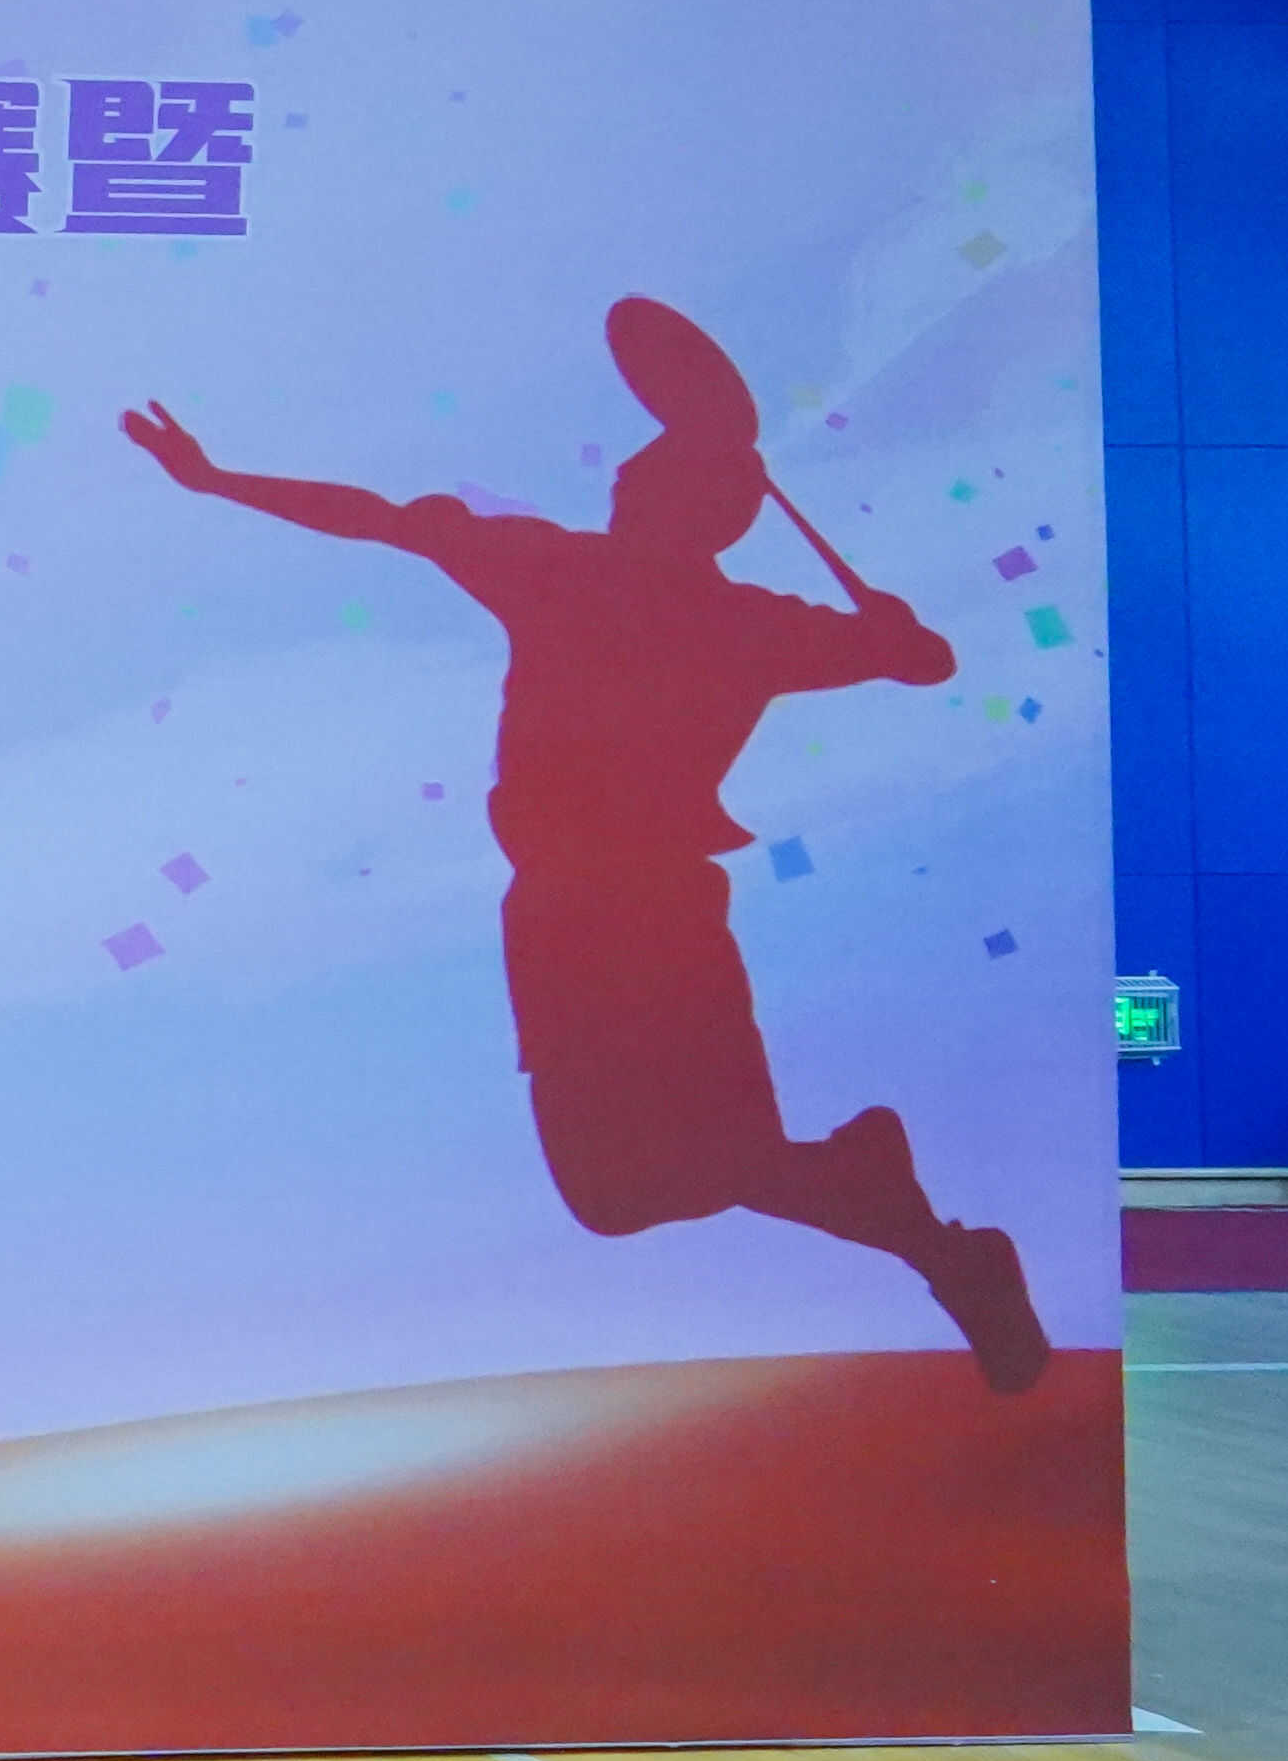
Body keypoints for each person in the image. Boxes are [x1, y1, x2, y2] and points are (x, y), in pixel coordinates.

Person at [124, 297, 1038, 1386]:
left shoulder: (563, 570)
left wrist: (218, 479)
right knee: (647, 1185)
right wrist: (890, 631)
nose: (619, 490)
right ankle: (926, 1233)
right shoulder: (753, 623)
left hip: (600, 909)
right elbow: (924, 662)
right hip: (623, 909)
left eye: (636, 483)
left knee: (654, 1183)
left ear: (675, 506)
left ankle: (919, 1223)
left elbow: (378, 518)